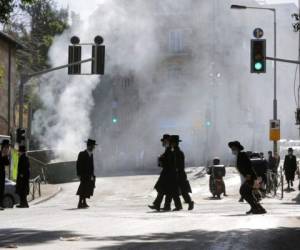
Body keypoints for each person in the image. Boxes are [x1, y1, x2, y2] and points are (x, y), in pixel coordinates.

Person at [228, 141, 266, 214]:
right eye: (232, 149)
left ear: (238, 149)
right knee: (247, 193)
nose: (233, 150)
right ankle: (258, 208)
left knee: (243, 191)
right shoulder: (239, 156)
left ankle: (256, 208)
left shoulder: (242, 155)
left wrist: (248, 175)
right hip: (249, 177)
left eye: (234, 149)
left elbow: (248, 165)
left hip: (250, 177)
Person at [170, 135, 194, 210]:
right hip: (180, 174)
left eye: (171, 143)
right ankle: (188, 203)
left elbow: (177, 164)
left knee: (176, 191)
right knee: (183, 191)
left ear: (174, 143)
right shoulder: (178, 152)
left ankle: (180, 205)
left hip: (177, 174)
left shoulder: (175, 153)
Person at [149, 134, 171, 211]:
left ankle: (162, 205)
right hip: (166, 172)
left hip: (168, 173)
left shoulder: (170, 150)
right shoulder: (167, 149)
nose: (163, 143)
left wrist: (161, 159)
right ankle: (158, 204)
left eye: (164, 141)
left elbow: (169, 162)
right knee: (162, 189)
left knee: (164, 189)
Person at [163, 136, 183, 211]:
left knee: (171, 190)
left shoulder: (174, 152)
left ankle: (169, 206)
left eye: (171, 142)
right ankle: (171, 205)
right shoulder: (175, 151)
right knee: (172, 191)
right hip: (174, 173)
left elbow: (172, 163)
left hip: (173, 173)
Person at [76, 139, 97, 209]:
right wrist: (79, 174)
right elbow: (78, 165)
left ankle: (84, 202)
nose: (94, 148)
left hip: (89, 175)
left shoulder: (91, 154)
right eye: (93, 146)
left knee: (87, 189)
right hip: (83, 175)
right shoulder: (82, 154)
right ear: (89, 146)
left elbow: (92, 165)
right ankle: (80, 203)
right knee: (82, 189)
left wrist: (92, 175)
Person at [0, 140, 10, 210]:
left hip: (2, 175)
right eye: (5, 148)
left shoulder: (5, 155)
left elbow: (7, 163)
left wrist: (5, 156)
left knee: (1, 190)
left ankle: (0, 204)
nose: (6, 149)